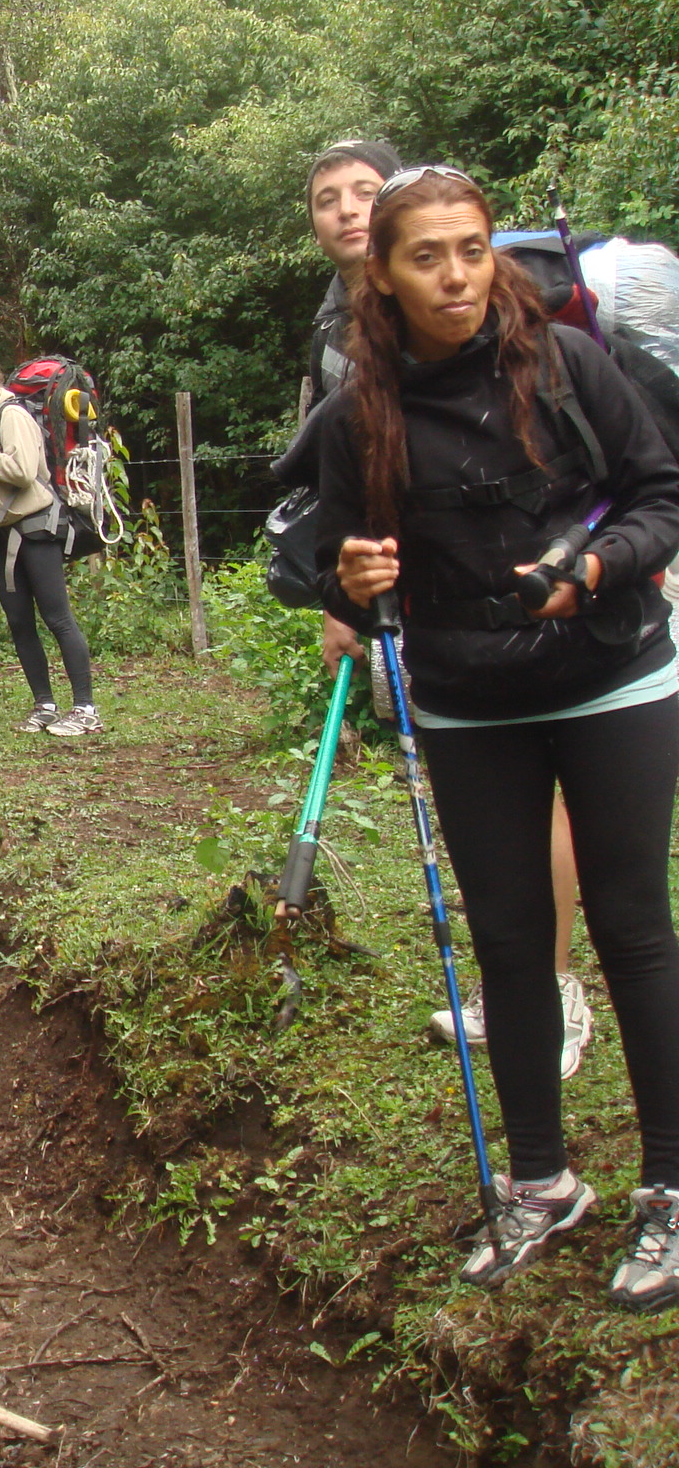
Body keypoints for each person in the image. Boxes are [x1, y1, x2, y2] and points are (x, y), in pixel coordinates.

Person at [314, 166, 679, 1305]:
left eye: (470, 250)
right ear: (382, 274)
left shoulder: (566, 363)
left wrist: (597, 569)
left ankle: (669, 1192)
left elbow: (660, 495)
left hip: (613, 674)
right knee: (512, 945)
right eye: (425, 256)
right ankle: (538, 1182)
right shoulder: (359, 411)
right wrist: (351, 574)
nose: (455, 276)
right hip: (467, 698)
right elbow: (331, 553)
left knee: (632, 929)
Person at [282, 141, 596, 1078]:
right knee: (485, 805)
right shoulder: (336, 331)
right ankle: (518, 977)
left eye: (362, 192)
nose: (345, 209)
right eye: (326, 198)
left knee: (543, 790)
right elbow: (344, 495)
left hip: (540, 591)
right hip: (433, 612)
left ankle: (553, 985)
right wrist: (342, 597)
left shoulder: (464, 306)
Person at [0, 343, 99, 735]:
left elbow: (24, 472)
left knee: (56, 617)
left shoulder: (11, 415)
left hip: (36, 528)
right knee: (19, 621)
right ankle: (44, 704)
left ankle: (85, 709)